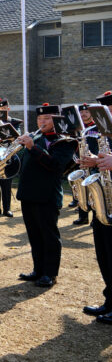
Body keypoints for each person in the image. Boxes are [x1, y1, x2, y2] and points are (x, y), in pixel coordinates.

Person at [16, 103, 77, 288]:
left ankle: (50, 274)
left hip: (47, 195)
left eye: (47, 119)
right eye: (40, 119)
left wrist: (32, 148)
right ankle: (38, 270)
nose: (42, 122)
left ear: (57, 120)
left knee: (49, 236)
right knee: (34, 235)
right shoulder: (35, 136)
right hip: (28, 193)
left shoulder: (65, 141)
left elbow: (55, 166)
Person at [79, 91, 112, 324]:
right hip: (105, 200)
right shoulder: (105, 132)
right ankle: (110, 301)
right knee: (105, 255)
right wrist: (93, 160)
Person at [0, 98, 21, 218]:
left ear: (8, 109)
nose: (1, 110)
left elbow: (18, 138)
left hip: (7, 157)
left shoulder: (14, 122)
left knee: (6, 185)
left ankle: (7, 209)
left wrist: (5, 137)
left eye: (3, 109)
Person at [71, 103, 97, 225]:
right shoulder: (76, 128)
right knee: (81, 189)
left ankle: (96, 217)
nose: (84, 114)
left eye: (86, 112)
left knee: (94, 190)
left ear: (91, 114)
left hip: (93, 162)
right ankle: (83, 217)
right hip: (80, 162)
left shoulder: (96, 127)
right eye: (81, 112)